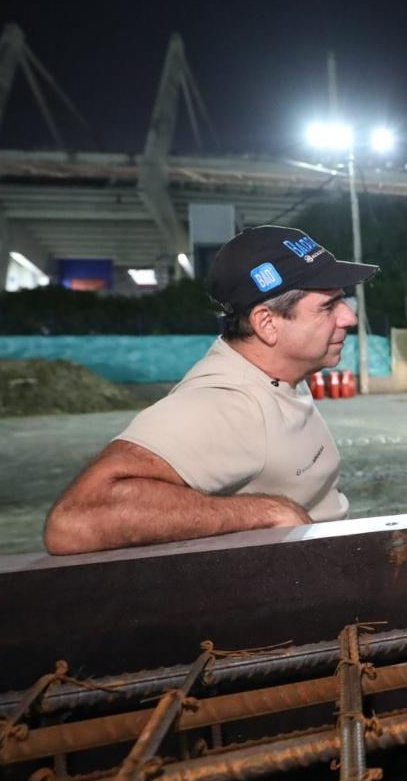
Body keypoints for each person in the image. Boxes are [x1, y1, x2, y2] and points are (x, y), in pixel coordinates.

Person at [44, 225, 376, 554]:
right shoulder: (228, 401)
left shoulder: (277, 374)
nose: (349, 317)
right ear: (267, 323)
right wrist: (266, 513)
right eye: (328, 306)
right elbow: (75, 519)